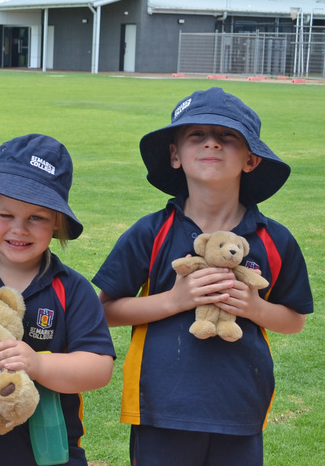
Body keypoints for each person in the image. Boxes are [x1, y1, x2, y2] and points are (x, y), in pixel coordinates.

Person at [92, 87, 313, 466]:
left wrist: (254, 307)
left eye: (227, 136)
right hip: (161, 408)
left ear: (250, 159)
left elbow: (294, 320)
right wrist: (174, 301)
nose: (212, 143)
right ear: (175, 155)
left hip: (241, 407)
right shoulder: (151, 232)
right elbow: (105, 311)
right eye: (197, 135)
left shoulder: (274, 239)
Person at [0, 134, 115, 466]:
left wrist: (38, 363)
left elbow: (99, 368)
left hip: (50, 452)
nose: (20, 229)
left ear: (57, 222)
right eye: (7, 215)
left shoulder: (71, 289)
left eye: (36, 218)